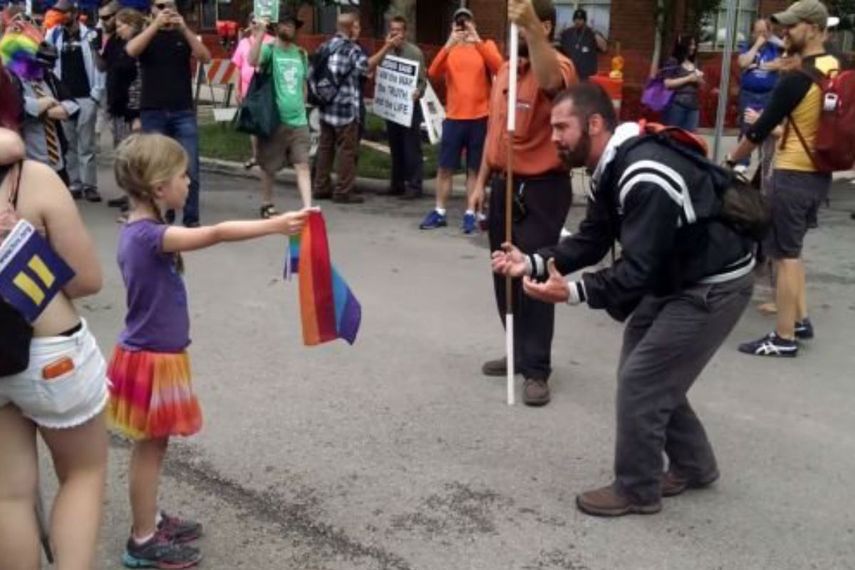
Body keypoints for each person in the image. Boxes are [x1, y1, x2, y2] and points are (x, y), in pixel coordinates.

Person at [492, 82, 755, 516]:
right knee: (647, 375)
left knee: (642, 380)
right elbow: (593, 239)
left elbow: (636, 271)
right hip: (678, 276)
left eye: (561, 127)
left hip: (713, 285)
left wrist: (571, 292)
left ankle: (637, 489)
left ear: (594, 124)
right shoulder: (611, 166)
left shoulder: (643, 175)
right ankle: (694, 465)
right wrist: (534, 263)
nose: (553, 136)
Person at [107, 133, 310, 568]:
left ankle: (151, 518)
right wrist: (276, 225)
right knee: (150, 448)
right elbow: (216, 233)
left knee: (153, 447)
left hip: (153, 355)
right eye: (183, 176)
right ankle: (142, 539)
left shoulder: (139, 230)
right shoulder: (149, 236)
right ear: (159, 187)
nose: (189, 182)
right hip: (151, 360)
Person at [0, 120, 109, 567]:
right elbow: (87, 280)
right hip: (49, 350)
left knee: (8, 496)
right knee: (84, 473)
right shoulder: (28, 177)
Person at [471, 0, 577, 407]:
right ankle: (515, 349)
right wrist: (480, 182)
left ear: (545, 26)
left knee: (532, 273)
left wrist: (532, 28)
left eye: (527, 24)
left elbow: (553, 82)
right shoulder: (503, 70)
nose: (514, 29)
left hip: (541, 188)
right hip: (503, 183)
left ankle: (537, 368)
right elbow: (493, 133)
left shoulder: (557, 65)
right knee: (503, 272)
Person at [726, 0, 838, 358]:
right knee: (794, 250)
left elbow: (756, 131)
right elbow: (810, 124)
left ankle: (784, 337)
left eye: (794, 25)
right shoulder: (833, 68)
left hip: (793, 173)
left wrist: (731, 159)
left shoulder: (799, 78)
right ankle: (800, 319)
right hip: (818, 174)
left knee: (783, 254)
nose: (786, 31)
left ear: (816, 29)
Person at [126, 0, 211, 228]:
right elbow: (131, 51)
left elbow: (205, 57)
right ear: (152, 9)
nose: (165, 10)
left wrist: (183, 28)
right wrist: (155, 25)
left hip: (182, 110)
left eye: (169, 5)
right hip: (153, 111)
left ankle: (191, 218)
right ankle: (161, 214)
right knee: (156, 165)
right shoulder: (147, 34)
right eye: (160, 5)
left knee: (190, 165)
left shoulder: (182, 34)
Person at [420, 7, 503, 232]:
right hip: (455, 117)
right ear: (452, 26)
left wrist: (477, 40)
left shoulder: (485, 46)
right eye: (459, 23)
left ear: (474, 24)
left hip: (479, 117)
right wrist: (449, 43)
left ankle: (471, 211)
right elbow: (433, 72)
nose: (463, 27)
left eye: (466, 22)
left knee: (475, 170)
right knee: (445, 167)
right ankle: (439, 211)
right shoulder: (451, 50)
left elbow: (499, 67)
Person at [311, 10, 396, 204]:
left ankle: (320, 186)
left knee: (325, 149)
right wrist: (386, 47)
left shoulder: (324, 47)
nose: (359, 29)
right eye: (357, 26)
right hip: (346, 110)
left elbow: (312, 73)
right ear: (350, 28)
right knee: (347, 151)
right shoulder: (351, 49)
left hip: (326, 108)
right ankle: (343, 191)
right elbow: (366, 66)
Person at [248, 8, 312, 216]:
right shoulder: (269, 50)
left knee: (303, 164)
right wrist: (259, 34)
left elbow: (303, 84)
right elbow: (252, 60)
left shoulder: (300, 54)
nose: (288, 27)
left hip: (298, 120)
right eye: (284, 24)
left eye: (292, 25)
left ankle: (307, 208)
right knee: (269, 166)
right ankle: (267, 203)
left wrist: (302, 105)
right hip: (274, 118)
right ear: (276, 28)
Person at [2, 28, 80, 184]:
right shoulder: (9, 80)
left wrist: (41, 110)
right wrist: (43, 103)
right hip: (28, 165)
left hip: (57, 163)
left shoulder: (47, 76)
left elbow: (72, 106)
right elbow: (15, 109)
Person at [46, 0, 105, 202]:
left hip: (86, 96)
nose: (60, 17)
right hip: (64, 99)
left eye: (64, 13)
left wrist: (96, 95)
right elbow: (48, 65)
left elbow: (99, 67)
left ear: (74, 13)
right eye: (58, 13)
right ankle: (75, 183)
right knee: (69, 143)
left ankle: (90, 185)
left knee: (86, 144)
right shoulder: (53, 35)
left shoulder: (90, 35)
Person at [101, 7, 146, 215]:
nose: (118, 30)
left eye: (121, 26)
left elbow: (138, 80)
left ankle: (137, 202)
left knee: (132, 157)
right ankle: (127, 195)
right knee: (121, 154)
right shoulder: (115, 42)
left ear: (133, 25)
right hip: (117, 105)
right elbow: (107, 68)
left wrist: (136, 114)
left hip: (131, 108)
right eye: (117, 26)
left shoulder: (139, 45)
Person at [381, 15, 427, 201]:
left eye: (398, 30)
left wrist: (418, 92)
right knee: (395, 146)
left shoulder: (415, 53)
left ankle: (415, 185)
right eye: (392, 30)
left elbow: (423, 82)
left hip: (410, 107)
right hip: (392, 106)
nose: (395, 34)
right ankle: (397, 184)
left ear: (405, 33)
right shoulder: (386, 52)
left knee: (411, 147)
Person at [735, 18, 783, 174]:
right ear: (753, 33)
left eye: (765, 32)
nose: (762, 35)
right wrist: (756, 46)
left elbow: (780, 63)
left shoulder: (775, 47)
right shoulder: (747, 46)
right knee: (746, 126)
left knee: (769, 128)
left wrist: (759, 65)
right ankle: (743, 161)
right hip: (749, 94)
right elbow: (743, 63)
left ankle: (765, 162)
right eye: (758, 32)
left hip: (769, 94)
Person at [230, 12, 273, 170]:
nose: (255, 24)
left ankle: (269, 154)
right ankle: (256, 156)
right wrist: (237, 87)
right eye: (252, 21)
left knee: (265, 120)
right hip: (248, 87)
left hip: (264, 87)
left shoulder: (271, 41)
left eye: (258, 21)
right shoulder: (243, 43)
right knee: (252, 123)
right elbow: (238, 66)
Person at [661, 34, 703, 132]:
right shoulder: (674, 61)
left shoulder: (694, 62)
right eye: (690, 44)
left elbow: (700, 84)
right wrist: (688, 78)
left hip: (693, 106)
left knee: (690, 137)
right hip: (676, 105)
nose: (693, 47)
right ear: (683, 46)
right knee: (673, 135)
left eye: (694, 44)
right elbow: (667, 83)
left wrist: (699, 80)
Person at [558, 8, 607, 81]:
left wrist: (594, 33)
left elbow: (604, 48)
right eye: (576, 19)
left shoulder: (591, 33)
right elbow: (558, 47)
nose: (577, 21)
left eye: (580, 19)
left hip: (587, 75)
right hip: (571, 74)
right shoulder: (567, 33)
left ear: (584, 21)